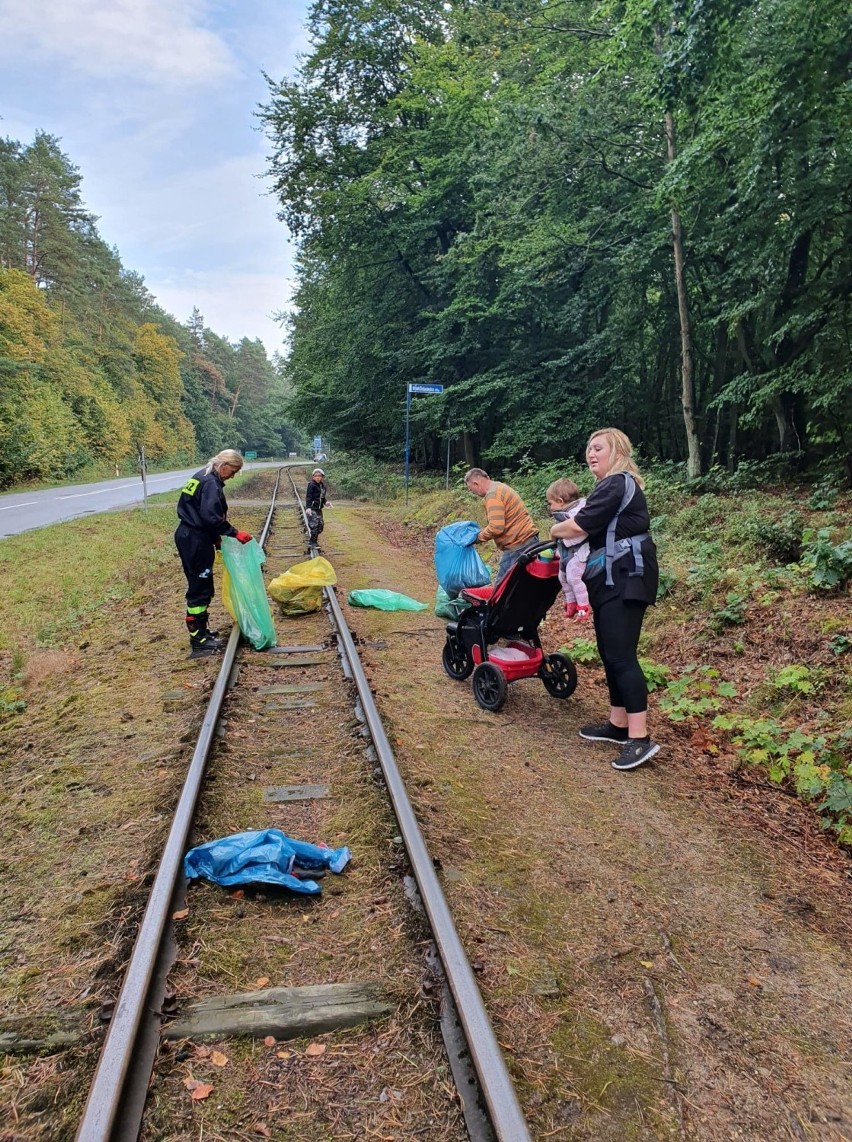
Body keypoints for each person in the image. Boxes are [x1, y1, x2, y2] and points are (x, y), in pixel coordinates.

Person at [550, 428, 659, 771]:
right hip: (614, 578)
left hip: (627, 578)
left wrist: (554, 529)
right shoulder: (610, 486)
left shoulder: (616, 483)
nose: (590, 453)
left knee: (622, 656)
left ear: (617, 451)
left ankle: (639, 738)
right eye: (588, 449)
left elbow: (578, 525)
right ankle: (617, 724)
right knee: (611, 652)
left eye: (598, 448)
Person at [174, 449, 252, 658]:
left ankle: (201, 631)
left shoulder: (202, 476)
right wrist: (234, 533)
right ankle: (199, 640)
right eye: (233, 471)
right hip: (195, 539)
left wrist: (215, 538)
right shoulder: (210, 483)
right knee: (200, 586)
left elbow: (198, 511)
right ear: (224, 465)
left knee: (202, 583)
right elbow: (210, 516)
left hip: (191, 535)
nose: (232, 476)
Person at [464, 468, 539, 583]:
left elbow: (496, 528)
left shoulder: (493, 495)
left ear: (476, 483)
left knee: (502, 589)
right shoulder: (499, 487)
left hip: (518, 545)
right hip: (527, 541)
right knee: (522, 586)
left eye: (471, 489)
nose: (472, 492)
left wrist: (476, 538)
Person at [546, 478, 590, 620]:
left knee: (573, 577)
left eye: (550, 504)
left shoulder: (578, 512)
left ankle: (583, 606)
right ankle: (571, 602)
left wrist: (559, 533)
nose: (550, 507)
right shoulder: (564, 514)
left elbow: (577, 532)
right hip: (566, 553)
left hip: (579, 553)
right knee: (562, 577)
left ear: (560, 501)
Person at [306, 467, 331, 544]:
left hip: (319, 509)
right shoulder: (311, 485)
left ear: (322, 477)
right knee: (315, 525)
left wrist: (326, 502)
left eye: (319, 476)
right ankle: (312, 542)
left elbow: (322, 497)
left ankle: (314, 540)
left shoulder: (323, 486)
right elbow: (308, 497)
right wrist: (308, 508)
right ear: (313, 477)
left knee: (320, 526)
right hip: (312, 508)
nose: (317, 477)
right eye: (316, 476)